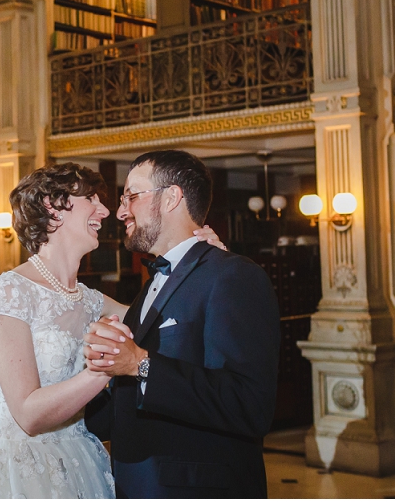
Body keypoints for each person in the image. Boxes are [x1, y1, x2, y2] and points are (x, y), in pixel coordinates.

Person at [0, 162, 225, 498]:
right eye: (92, 198)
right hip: (16, 471)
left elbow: (172, 319)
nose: (105, 210)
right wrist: (105, 369)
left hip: (80, 463)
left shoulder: (93, 302)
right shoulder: (11, 291)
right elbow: (28, 414)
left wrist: (205, 262)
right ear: (54, 207)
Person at [82, 150, 279, 498]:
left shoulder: (233, 275)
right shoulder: (152, 286)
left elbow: (249, 405)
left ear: (172, 197)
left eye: (132, 196)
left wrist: (141, 364)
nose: (120, 210)